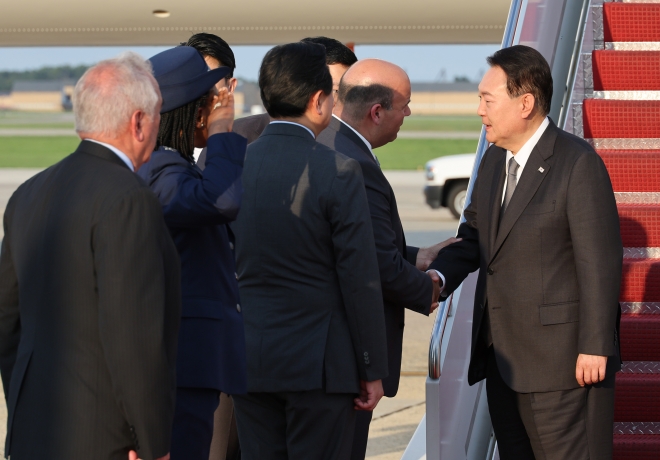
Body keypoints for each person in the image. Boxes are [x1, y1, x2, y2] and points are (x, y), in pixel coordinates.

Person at [428, 45, 622, 459]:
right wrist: (436, 279)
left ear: (526, 103)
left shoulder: (577, 164)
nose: (479, 109)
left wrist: (595, 344)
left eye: (487, 98)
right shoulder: (495, 161)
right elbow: (473, 237)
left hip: (563, 365)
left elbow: (599, 263)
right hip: (505, 365)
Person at [0, 52, 180, 460]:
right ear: (138, 122)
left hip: (33, 435)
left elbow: (7, 322)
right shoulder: (130, 198)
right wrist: (152, 443)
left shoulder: (27, 194)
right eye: (156, 116)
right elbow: (133, 337)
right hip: (106, 442)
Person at [232, 42, 388, 460]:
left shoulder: (234, 167)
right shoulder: (338, 170)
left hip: (250, 358)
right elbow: (360, 278)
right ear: (319, 101)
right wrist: (372, 368)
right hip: (320, 367)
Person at [317, 58, 457, 459]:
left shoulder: (331, 142)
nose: (409, 114)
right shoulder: (354, 164)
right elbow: (372, 262)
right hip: (343, 359)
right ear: (377, 112)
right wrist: (430, 286)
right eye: (405, 105)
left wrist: (415, 257)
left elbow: (353, 244)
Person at [136, 46, 248, 460]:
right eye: (211, 104)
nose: (220, 110)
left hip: (189, 362)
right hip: (182, 363)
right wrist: (222, 133)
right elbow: (220, 201)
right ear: (196, 114)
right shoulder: (162, 169)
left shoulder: (168, 166)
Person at [217, 36, 358, 148]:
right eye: (335, 91)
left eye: (349, 93)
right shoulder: (235, 135)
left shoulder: (353, 147)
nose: (339, 102)